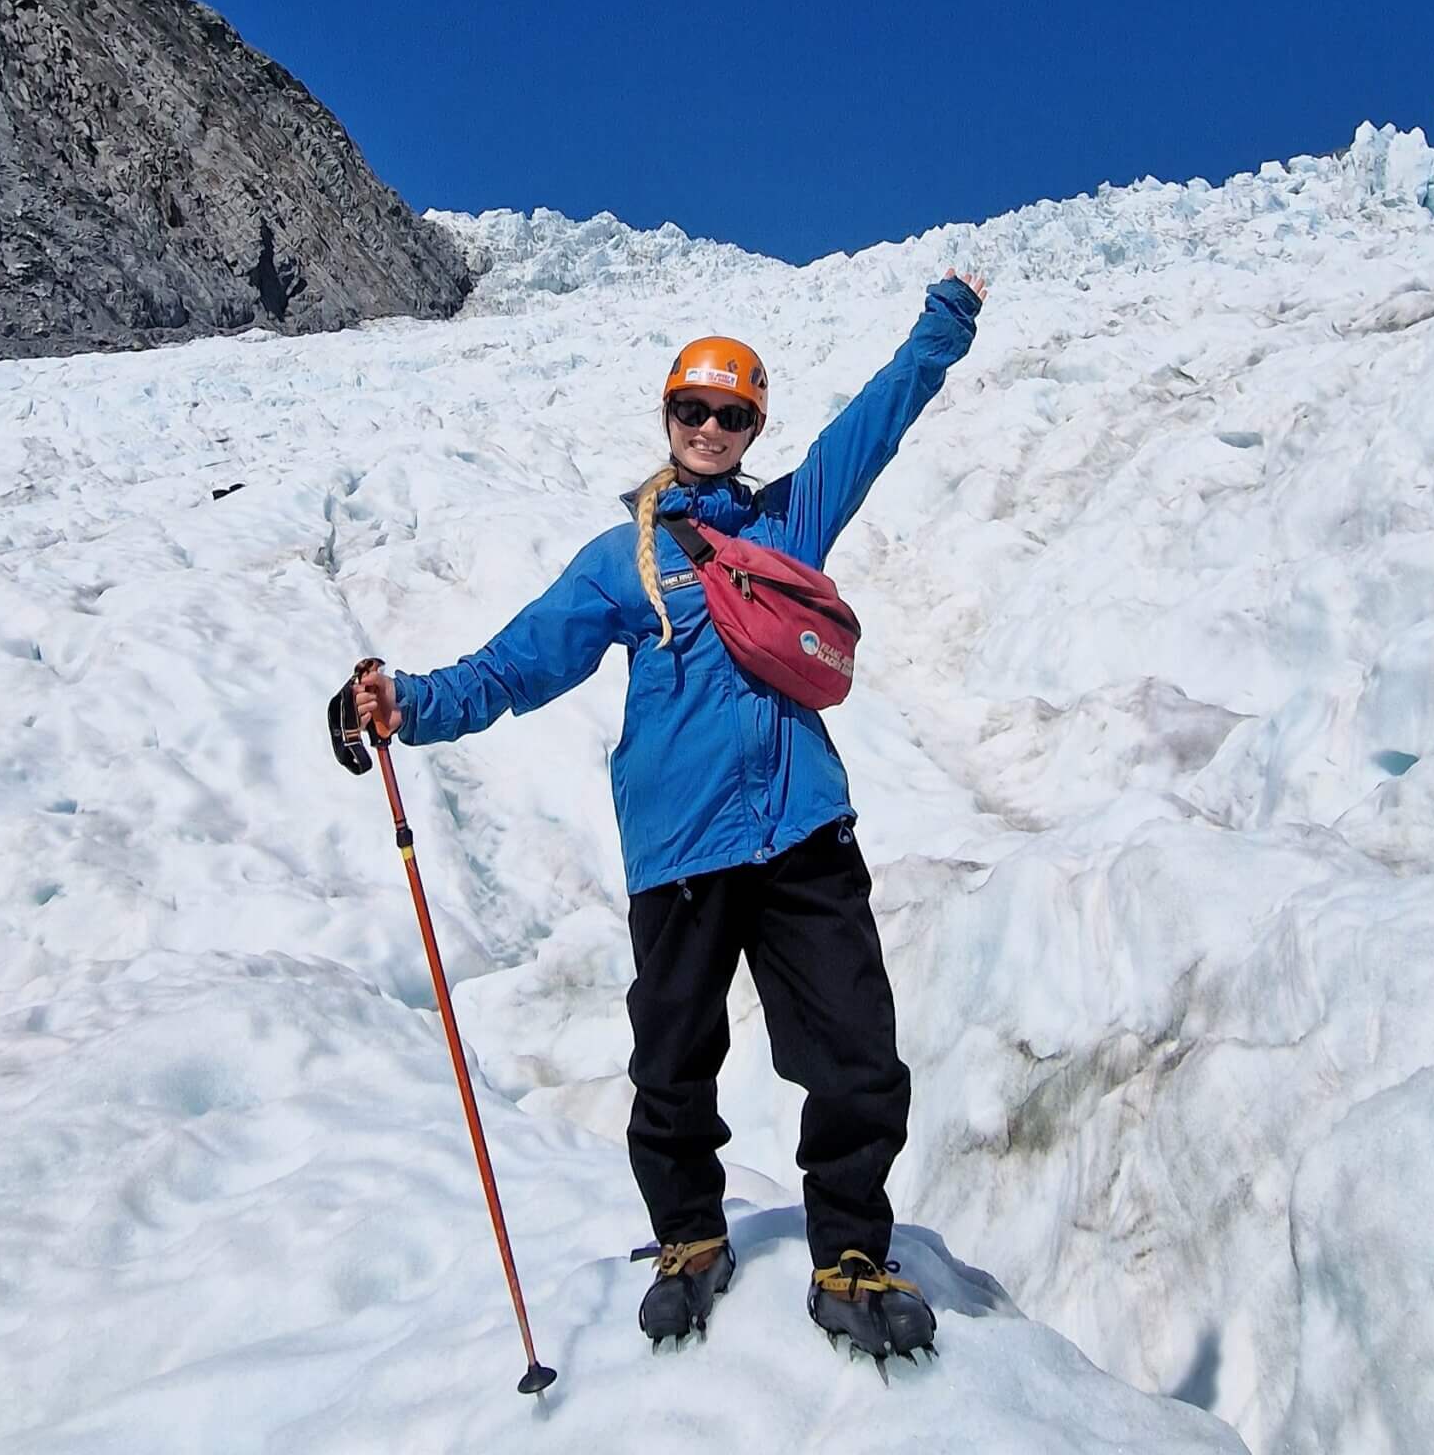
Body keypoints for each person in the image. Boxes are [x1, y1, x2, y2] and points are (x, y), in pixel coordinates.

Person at [347, 270, 988, 1359]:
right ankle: (690, 1238)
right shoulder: (622, 560)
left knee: (854, 1057)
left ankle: (850, 1252)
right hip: (679, 850)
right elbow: (517, 665)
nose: (708, 427)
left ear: (753, 425)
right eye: (691, 409)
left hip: (801, 830)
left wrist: (946, 321)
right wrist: (412, 702)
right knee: (671, 1064)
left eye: (730, 413)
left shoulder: (792, 519)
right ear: (667, 416)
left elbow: (880, 417)